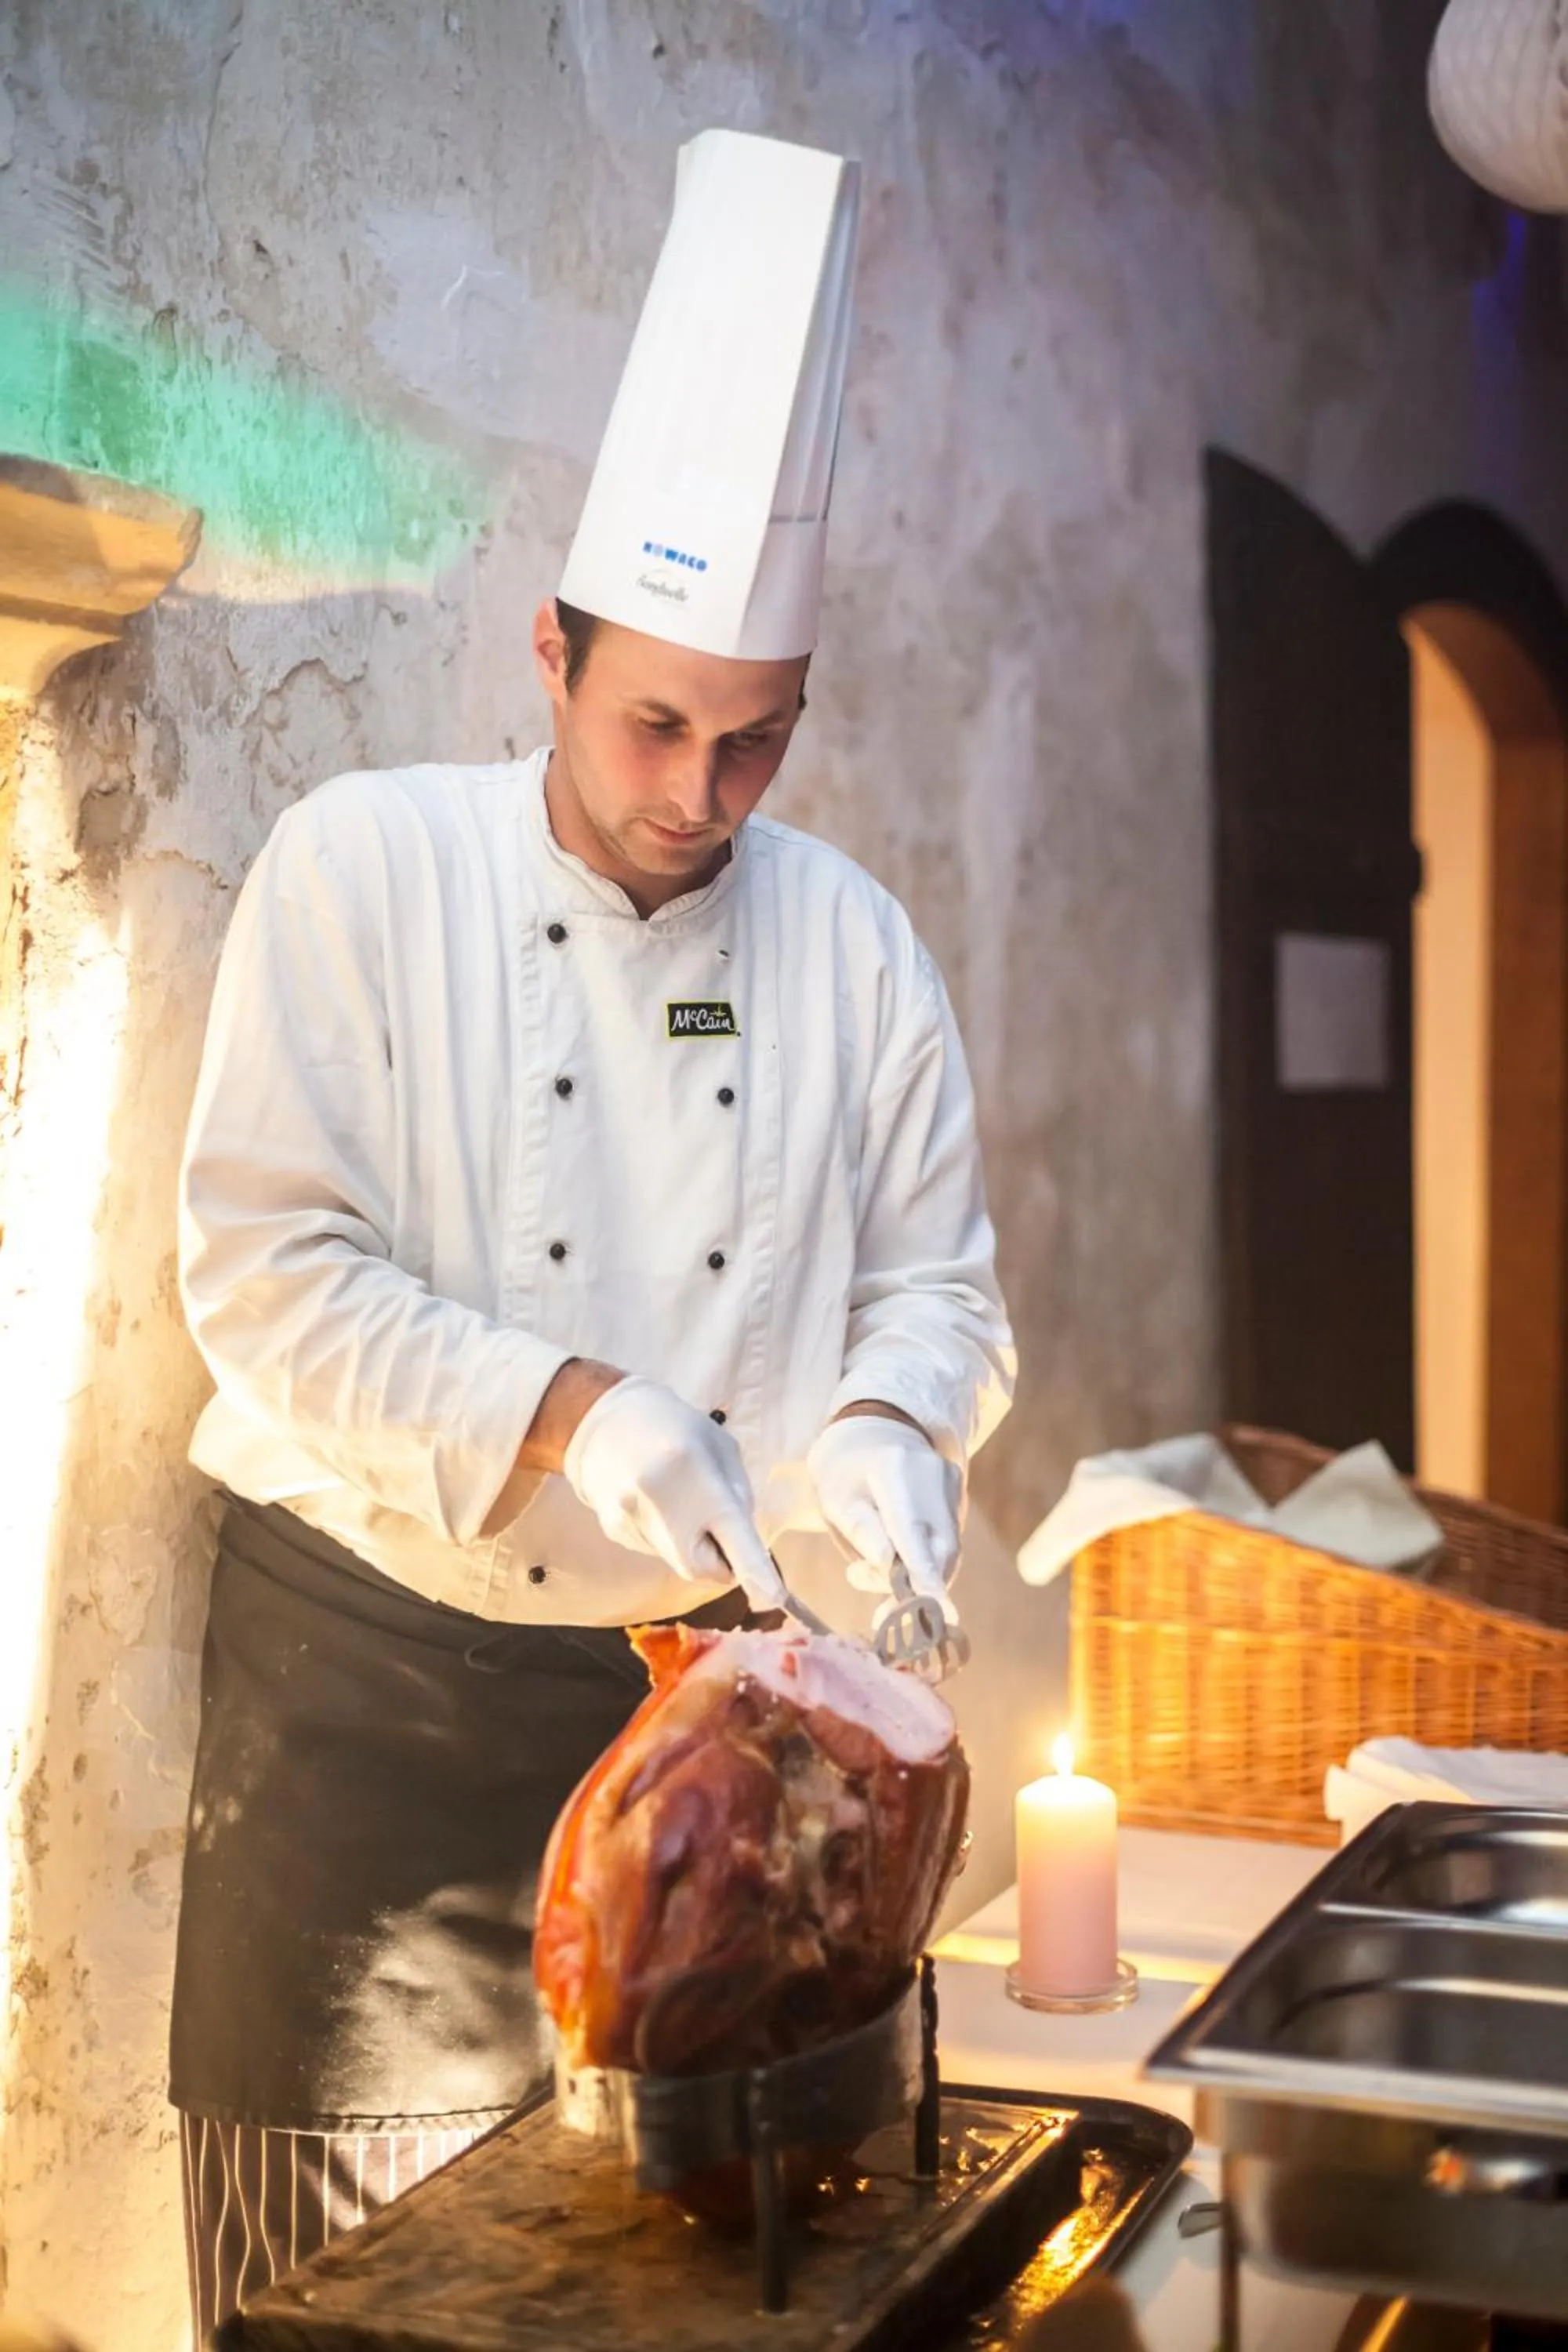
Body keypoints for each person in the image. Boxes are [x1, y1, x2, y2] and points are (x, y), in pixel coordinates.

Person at [169, 126, 1014, 2341]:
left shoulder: (851, 945)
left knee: (689, 2292)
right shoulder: (365, 869)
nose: (695, 795)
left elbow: (937, 1289)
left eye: (755, 744)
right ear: (547, 649)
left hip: (714, 1760)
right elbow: (263, 1277)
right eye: (654, 722)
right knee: (341, 2286)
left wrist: (894, 1423)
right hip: (379, 1710)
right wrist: (567, 1406)